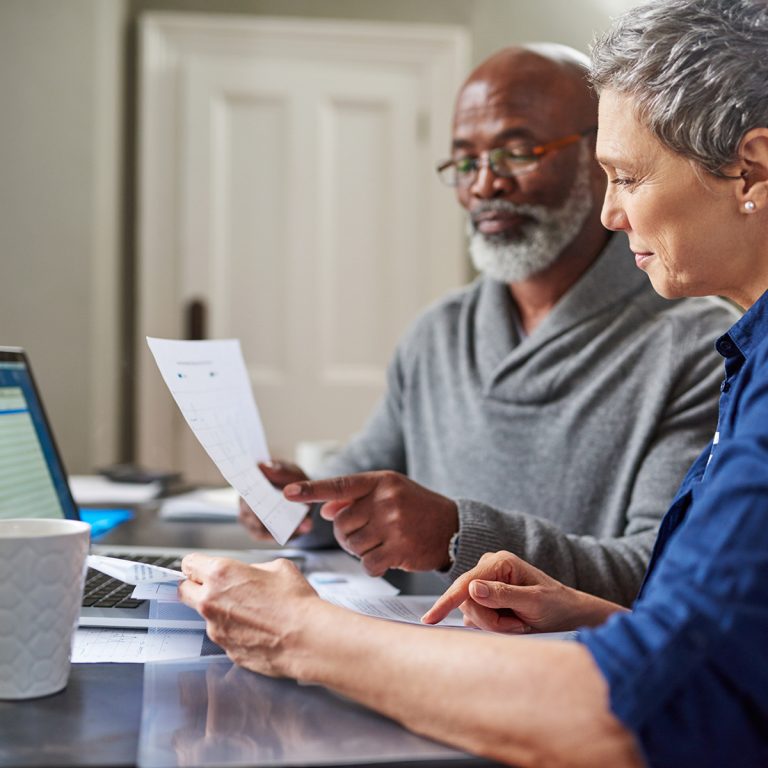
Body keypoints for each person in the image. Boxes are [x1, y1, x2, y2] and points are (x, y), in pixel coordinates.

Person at [180, 0, 768, 765]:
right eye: (465, 160)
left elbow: (641, 704)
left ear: (751, 168)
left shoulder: (701, 345)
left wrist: (302, 632)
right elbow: (706, 628)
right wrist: (582, 613)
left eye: (623, 175)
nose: (613, 211)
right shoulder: (745, 352)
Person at [241, 43, 736, 606]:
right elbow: (362, 490)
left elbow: (659, 567)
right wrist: (300, 502)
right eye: (466, 161)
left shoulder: (698, 346)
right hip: (411, 653)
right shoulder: (438, 334)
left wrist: (458, 535)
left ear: (599, 158)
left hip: (561, 677)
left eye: (517, 152)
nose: (483, 185)